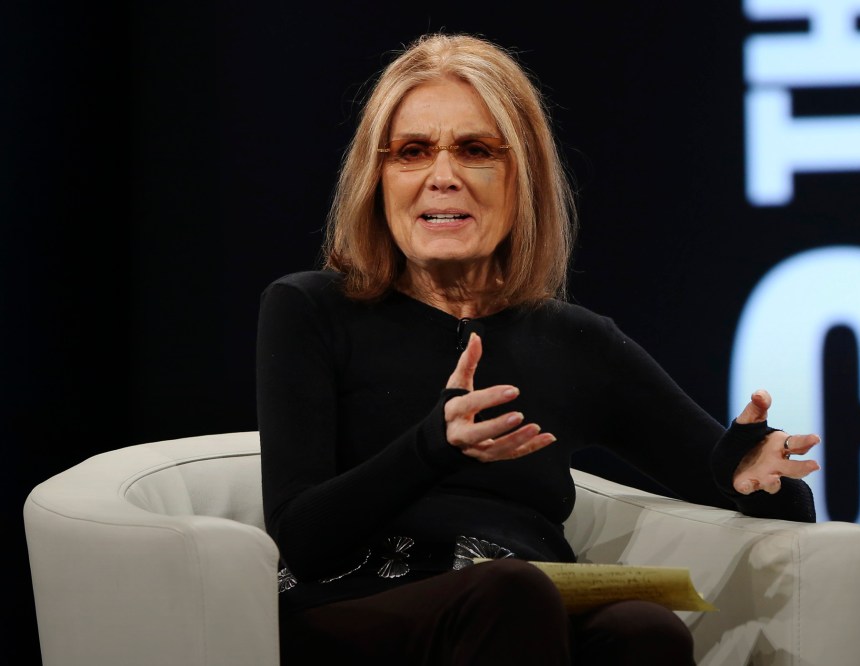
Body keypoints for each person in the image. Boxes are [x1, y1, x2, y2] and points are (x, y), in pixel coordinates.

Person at [256, 31, 821, 666]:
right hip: (357, 610)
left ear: (521, 177)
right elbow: (302, 538)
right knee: (511, 590)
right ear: (377, 177)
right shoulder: (312, 308)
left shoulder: (575, 342)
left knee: (643, 630)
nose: (442, 178)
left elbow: (768, 502)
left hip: (523, 608)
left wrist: (751, 473)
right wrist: (431, 447)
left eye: (474, 151)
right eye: (412, 152)